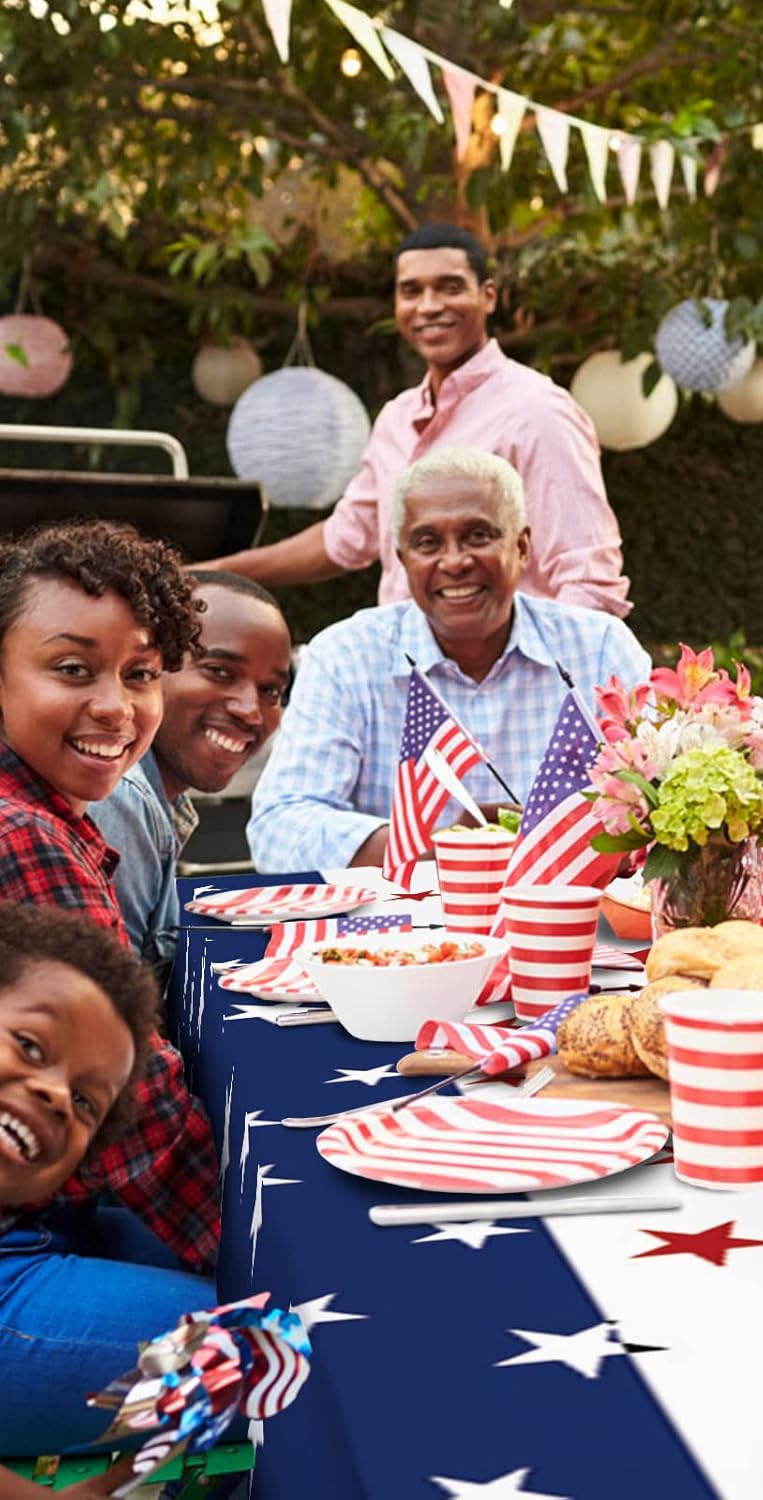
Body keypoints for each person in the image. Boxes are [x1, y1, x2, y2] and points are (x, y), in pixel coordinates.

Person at [248, 447, 651, 874]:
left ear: (522, 547)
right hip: (398, 933)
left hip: (574, 923)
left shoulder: (599, 647)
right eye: (428, 542)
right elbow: (278, 829)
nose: (455, 561)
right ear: (403, 560)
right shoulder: (347, 656)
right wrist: (444, 849)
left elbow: (662, 803)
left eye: (478, 535)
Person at [206, 222, 631, 617]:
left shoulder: (537, 412)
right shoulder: (396, 418)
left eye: (449, 288)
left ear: (488, 296)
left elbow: (590, 583)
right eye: (411, 291)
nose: (428, 306)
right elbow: (346, 538)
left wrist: (538, 687)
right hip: (405, 678)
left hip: (507, 686)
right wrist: (216, 574)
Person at [0, 521, 219, 1278]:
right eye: (71, 668)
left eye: (141, 673)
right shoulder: (21, 832)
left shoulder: (50, 813)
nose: (116, 708)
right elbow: (139, 1109)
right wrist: (287, 1256)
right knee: (285, 1351)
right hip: (20, 1244)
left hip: (57, 1207)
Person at [0, 902, 209, 1464]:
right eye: (31, 1046)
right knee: (303, 1348)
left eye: (86, 1103)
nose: (56, 1096)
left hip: (43, 1228)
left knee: (286, 1312)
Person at [91, 571, 292, 975]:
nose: (250, 711)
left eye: (271, 691)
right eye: (219, 671)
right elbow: (110, 1014)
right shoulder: (120, 795)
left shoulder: (160, 794)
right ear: (146, 669)